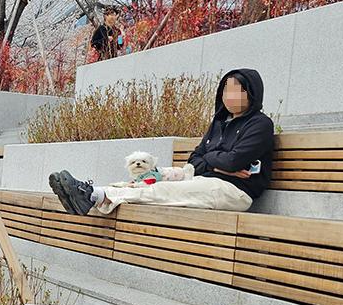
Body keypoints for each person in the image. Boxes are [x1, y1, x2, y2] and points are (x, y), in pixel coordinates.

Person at [49, 69, 274, 217]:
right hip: (204, 180)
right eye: (226, 90)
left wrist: (212, 161)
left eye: (237, 90)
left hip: (234, 192)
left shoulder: (260, 124)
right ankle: (90, 192)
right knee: (147, 183)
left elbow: (233, 161)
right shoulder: (219, 122)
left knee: (164, 189)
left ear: (252, 93)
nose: (230, 95)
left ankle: (92, 196)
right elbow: (195, 160)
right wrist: (216, 165)